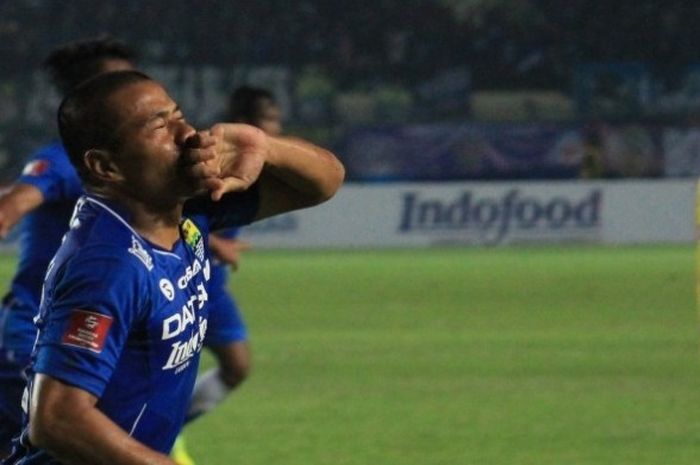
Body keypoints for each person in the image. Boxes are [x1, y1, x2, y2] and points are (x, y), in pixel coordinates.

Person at [3, 70, 344, 464]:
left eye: (179, 114)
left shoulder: (185, 211)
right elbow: (58, 418)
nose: (187, 133)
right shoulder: (109, 264)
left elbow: (325, 182)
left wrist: (263, 145)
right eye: (160, 127)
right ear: (105, 167)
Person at [0, 38, 135, 457]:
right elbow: (13, 205)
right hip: (34, 342)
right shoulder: (64, 159)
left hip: (84, 341)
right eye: (120, 81)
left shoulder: (130, 165)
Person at [172, 86, 284, 465]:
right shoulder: (210, 157)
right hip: (179, 279)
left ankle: (171, 429)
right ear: (250, 122)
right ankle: (155, 435)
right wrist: (216, 242)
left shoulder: (260, 159)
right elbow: (181, 208)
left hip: (212, 284)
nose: (277, 126)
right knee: (166, 369)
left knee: (237, 367)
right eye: (271, 119)